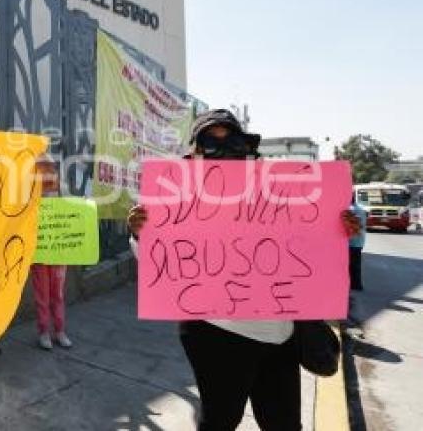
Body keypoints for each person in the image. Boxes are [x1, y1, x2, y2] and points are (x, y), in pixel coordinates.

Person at [126, 109, 361, 431]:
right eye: (211, 145)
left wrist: (338, 230)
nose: (223, 154)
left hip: (281, 333)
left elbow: (310, 251)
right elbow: (162, 262)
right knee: (220, 421)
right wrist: (142, 232)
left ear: (246, 149)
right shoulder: (178, 196)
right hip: (215, 333)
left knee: (284, 425)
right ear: (195, 153)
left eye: (233, 144)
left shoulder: (279, 192)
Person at [31, 156, 72, 350]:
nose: (48, 174)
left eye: (50, 169)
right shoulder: (30, 195)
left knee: (57, 293)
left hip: (58, 248)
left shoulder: (61, 192)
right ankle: (44, 332)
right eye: (44, 169)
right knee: (42, 294)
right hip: (40, 250)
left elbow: (70, 214)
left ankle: (60, 330)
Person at [348, 193, 367, 291]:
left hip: (352, 241)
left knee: (352, 264)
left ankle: (355, 285)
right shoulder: (360, 209)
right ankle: (356, 284)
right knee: (356, 263)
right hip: (358, 241)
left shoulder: (351, 210)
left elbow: (352, 227)